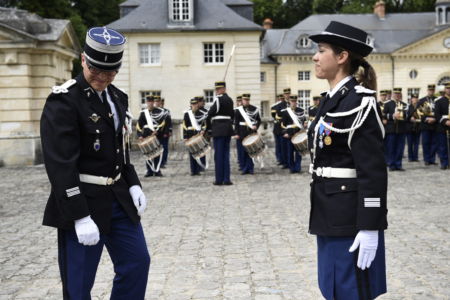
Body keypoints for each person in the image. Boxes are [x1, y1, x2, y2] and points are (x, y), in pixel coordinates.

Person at [40, 27, 150, 299]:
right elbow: (60, 164)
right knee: (79, 285)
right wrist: (79, 215)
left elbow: (120, 150)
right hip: (83, 201)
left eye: (110, 72)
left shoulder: (118, 98)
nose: (102, 78)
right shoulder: (63, 101)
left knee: (137, 262)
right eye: (96, 70)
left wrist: (133, 183)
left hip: (118, 196)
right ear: (83, 60)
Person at [308, 21, 388, 300]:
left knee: (350, 290)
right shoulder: (331, 101)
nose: (315, 57)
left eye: (321, 50)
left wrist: (370, 226)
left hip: (350, 217)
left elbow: (373, 173)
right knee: (331, 287)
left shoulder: (360, 102)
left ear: (342, 57)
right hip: (328, 210)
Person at [205, 81, 234, 185]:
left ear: (224, 89)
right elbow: (232, 114)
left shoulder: (218, 99)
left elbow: (210, 113)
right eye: (216, 89)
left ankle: (219, 179)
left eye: (218, 89)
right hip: (228, 128)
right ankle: (227, 179)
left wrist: (208, 129)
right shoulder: (230, 100)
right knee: (226, 155)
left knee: (219, 155)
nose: (217, 91)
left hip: (218, 129)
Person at [136, 95, 167, 177]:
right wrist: (140, 135)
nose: (150, 103)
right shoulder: (143, 113)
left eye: (151, 102)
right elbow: (139, 125)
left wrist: (158, 131)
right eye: (148, 102)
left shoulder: (159, 112)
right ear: (146, 102)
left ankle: (157, 170)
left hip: (157, 135)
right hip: (146, 135)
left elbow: (163, 123)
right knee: (148, 154)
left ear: (153, 102)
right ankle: (149, 171)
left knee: (157, 153)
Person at [233, 93, 261, 174]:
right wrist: (236, 133)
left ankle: (251, 168)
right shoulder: (238, 110)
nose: (246, 101)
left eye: (247, 100)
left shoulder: (254, 109)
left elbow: (258, 120)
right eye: (244, 100)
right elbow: (236, 123)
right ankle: (244, 168)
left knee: (251, 151)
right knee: (242, 152)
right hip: (241, 132)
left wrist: (256, 125)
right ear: (242, 100)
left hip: (251, 132)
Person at [383, 87, 408, 171]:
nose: (397, 95)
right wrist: (392, 116)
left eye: (399, 94)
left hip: (401, 129)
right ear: (393, 94)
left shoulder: (404, 104)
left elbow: (407, 116)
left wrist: (402, 116)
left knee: (400, 148)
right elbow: (383, 115)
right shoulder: (388, 103)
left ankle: (398, 164)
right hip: (391, 130)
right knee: (391, 148)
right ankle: (391, 164)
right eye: (396, 94)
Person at [281, 95, 306, 173]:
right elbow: (282, 125)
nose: (294, 103)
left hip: (298, 134)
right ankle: (292, 168)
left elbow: (304, 121)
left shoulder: (301, 110)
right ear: (289, 102)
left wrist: (305, 125)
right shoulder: (285, 112)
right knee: (290, 153)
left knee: (299, 152)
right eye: (292, 101)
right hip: (289, 134)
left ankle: (297, 167)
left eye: (295, 101)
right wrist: (285, 133)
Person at [183, 98, 207, 175]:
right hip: (190, 134)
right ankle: (193, 170)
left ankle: (198, 168)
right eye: (193, 104)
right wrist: (185, 136)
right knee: (192, 152)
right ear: (191, 105)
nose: (194, 106)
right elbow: (184, 126)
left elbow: (204, 124)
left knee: (199, 152)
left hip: (198, 134)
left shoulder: (201, 113)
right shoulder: (187, 114)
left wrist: (203, 130)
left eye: (196, 104)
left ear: (197, 104)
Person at [418, 84, 438, 165]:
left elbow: (439, 111)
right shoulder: (422, 100)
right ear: (427, 90)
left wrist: (435, 119)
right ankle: (426, 159)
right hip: (425, 125)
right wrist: (426, 119)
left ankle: (432, 159)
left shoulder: (437, 100)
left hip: (435, 124)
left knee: (434, 143)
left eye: (432, 90)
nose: (431, 91)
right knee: (426, 143)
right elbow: (419, 113)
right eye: (430, 90)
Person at [434, 82, 450, 170]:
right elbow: (437, 114)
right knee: (442, 146)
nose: (449, 90)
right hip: (442, 127)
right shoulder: (439, 101)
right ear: (445, 90)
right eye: (448, 88)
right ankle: (444, 163)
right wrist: (445, 121)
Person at [156, 97, 171, 168]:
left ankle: (163, 162)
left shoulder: (166, 111)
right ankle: (158, 162)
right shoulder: (154, 111)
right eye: (157, 102)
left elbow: (169, 123)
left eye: (160, 102)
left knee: (164, 148)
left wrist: (168, 131)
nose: (159, 103)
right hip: (156, 133)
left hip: (164, 132)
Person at [271, 94, 286, 164]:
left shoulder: (286, 106)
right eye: (280, 99)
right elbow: (274, 116)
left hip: (283, 128)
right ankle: (279, 158)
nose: (281, 100)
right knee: (278, 145)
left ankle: (283, 159)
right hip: (277, 128)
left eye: (282, 99)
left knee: (283, 146)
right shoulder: (274, 106)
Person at [406, 94, 421, 162]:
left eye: (416, 98)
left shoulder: (419, 107)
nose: (415, 99)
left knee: (416, 144)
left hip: (417, 127)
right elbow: (405, 117)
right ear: (411, 99)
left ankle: (415, 157)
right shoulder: (408, 107)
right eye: (414, 98)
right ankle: (410, 157)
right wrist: (410, 118)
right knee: (410, 144)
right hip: (410, 128)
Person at [234, 95, 245, 171]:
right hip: (239, 131)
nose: (239, 102)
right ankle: (241, 163)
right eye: (238, 101)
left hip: (245, 131)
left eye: (240, 101)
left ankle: (245, 164)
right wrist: (236, 133)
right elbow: (235, 122)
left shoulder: (245, 109)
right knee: (240, 149)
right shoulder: (235, 110)